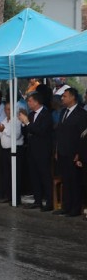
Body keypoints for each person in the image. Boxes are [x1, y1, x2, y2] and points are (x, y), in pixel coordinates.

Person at [53, 88, 87, 217]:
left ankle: (75, 208)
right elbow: (60, 133)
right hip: (62, 151)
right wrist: (57, 149)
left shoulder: (81, 114)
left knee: (75, 181)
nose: (62, 98)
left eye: (65, 96)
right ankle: (66, 206)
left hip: (74, 153)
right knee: (66, 180)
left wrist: (79, 153)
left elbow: (83, 136)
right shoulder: (63, 112)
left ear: (73, 97)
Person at [18, 92, 54, 211]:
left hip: (43, 150)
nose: (28, 103)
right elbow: (28, 132)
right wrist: (24, 123)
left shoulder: (46, 114)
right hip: (32, 150)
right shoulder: (31, 114)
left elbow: (41, 131)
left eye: (30, 101)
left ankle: (49, 202)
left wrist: (27, 122)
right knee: (34, 176)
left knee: (45, 176)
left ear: (37, 102)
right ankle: (37, 200)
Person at [0, 102, 24, 205]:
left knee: (15, 175)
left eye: (9, 109)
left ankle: (16, 198)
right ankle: (8, 195)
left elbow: (16, 135)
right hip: (4, 150)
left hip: (14, 150)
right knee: (6, 174)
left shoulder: (16, 120)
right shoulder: (4, 120)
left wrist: (4, 130)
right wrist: (0, 130)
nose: (7, 111)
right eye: (6, 109)